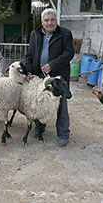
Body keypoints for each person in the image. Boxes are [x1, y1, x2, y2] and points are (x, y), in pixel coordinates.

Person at [25, 8, 75, 147]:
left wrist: (52, 64)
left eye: (52, 20)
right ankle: (39, 128)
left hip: (58, 77)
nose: (49, 23)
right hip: (40, 76)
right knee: (40, 103)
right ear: (42, 22)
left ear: (56, 21)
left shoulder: (65, 34)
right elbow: (29, 54)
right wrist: (29, 71)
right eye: (46, 20)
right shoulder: (35, 34)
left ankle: (63, 134)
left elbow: (69, 53)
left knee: (61, 106)